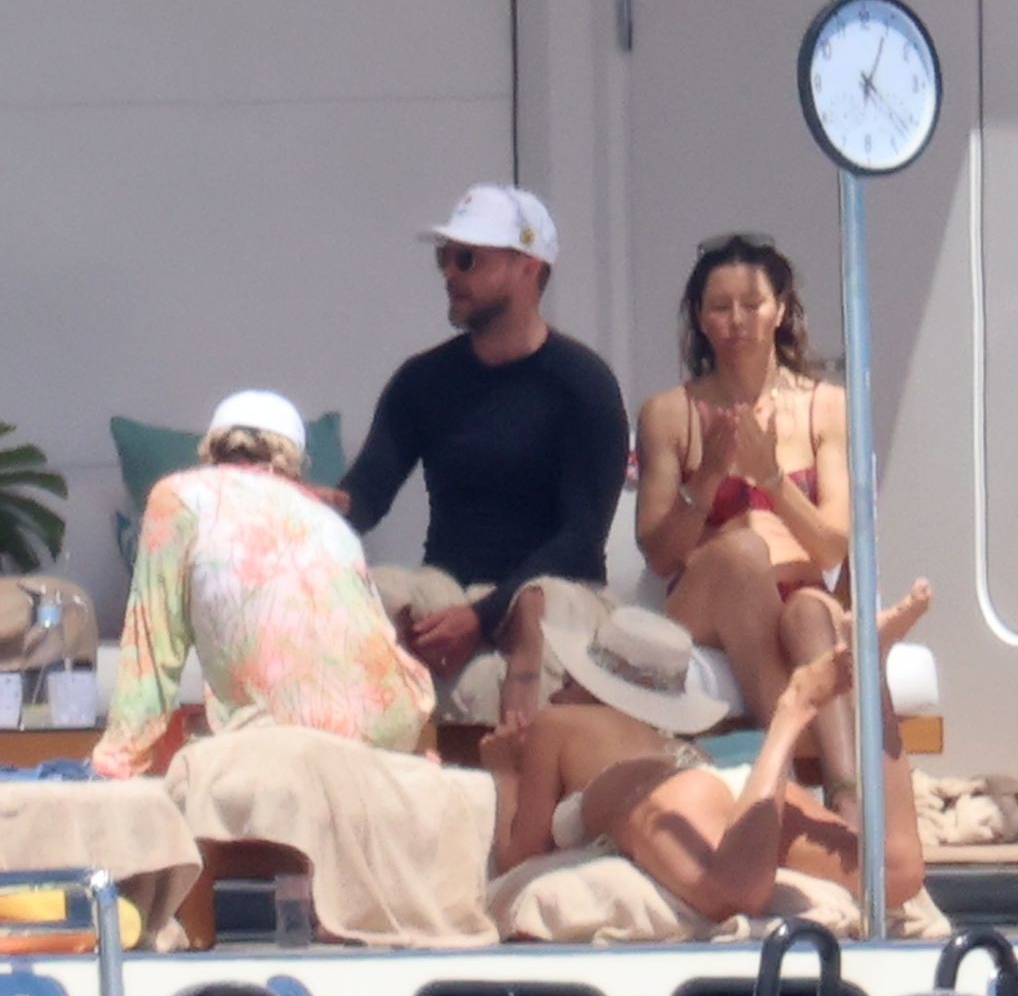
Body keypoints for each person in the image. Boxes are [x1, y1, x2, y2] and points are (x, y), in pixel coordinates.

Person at [634, 231, 931, 829]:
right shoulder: (669, 413)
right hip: (706, 596)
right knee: (743, 552)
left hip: (798, 587)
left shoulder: (828, 406)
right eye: (720, 307)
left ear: (781, 309)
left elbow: (832, 544)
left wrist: (771, 477)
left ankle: (846, 802)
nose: (737, 321)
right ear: (700, 318)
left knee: (809, 615)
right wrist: (709, 477)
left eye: (753, 304)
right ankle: (787, 785)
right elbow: (660, 554)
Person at [336, 183, 630, 728]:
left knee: (535, 607)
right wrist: (306, 506)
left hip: (557, 591)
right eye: (444, 258)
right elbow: (366, 495)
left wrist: (482, 615)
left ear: (528, 267)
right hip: (448, 584)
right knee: (357, 593)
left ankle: (521, 754)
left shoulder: (583, 384)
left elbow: (580, 539)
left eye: (467, 258)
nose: (450, 273)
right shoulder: (422, 380)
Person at [482, 604, 925, 921]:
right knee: (895, 873)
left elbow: (520, 855)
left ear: (590, 683)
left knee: (732, 893)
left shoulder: (558, 723)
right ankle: (876, 676)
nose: (558, 693)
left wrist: (503, 769)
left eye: (568, 680)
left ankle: (793, 709)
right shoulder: (672, 744)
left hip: (668, 799)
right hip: (734, 784)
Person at [92, 391, 435, 779]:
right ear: (295, 461)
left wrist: (117, 762)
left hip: (282, 739)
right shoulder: (330, 522)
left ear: (212, 447)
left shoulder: (180, 497)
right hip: (387, 730)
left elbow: (153, 652)